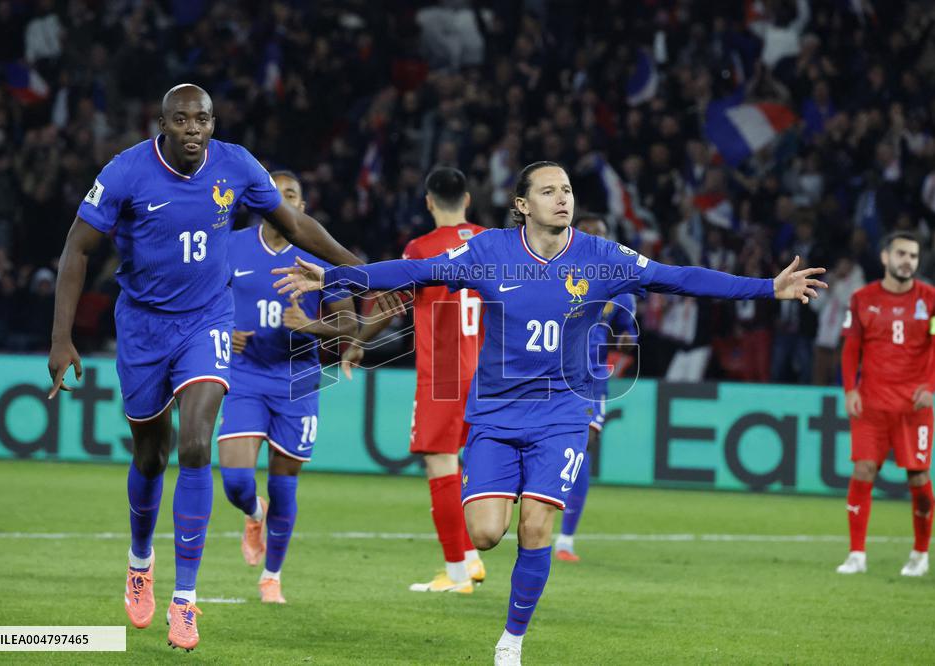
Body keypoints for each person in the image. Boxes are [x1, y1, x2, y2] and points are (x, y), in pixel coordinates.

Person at [274, 161, 826, 666]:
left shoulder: (602, 257)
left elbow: (679, 277)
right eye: (548, 191)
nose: (562, 199)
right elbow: (413, 273)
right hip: (493, 411)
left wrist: (767, 288)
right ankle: (495, 560)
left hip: (563, 410)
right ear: (522, 204)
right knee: (487, 534)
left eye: (565, 190)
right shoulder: (489, 251)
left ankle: (511, 641)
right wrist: (335, 278)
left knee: (537, 525)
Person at [46, 84, 368, 651]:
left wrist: (358, 267)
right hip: (144, 327)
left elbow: (293, 224)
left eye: (203, 119)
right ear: (162, 124)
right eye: (181, 119)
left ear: (213, 123)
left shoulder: (237, 165)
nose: (193, 128)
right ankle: (140, 560)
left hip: (206, 322)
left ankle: (185, 601)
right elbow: (77, 249)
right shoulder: (125, 173)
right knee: (152, 454)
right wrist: (61, 337)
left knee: (196, 445)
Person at [343, 167, 487, 593]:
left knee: (441, 464)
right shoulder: (494, 242)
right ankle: (472, 557)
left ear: (428, 202)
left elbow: (390, 304)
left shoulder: (421, 250)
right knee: (474, 464)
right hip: (493, 371)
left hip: (444, 373)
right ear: (467, 200)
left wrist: (356, 343)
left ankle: (457, 573)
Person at [217, 170, 356, 603]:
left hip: (297, 381)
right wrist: (222, 326)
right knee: (237, 482)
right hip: (243, 374)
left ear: (303, 207)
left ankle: (271, 577)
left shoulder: (318, 255)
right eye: (274, 194)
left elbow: (350, 325)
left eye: (291, 194)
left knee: (284, 483)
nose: (282, 200)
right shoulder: (231, 245)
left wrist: (312, 326)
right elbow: (201, 297)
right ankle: (254, 513)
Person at [836, 232, 935, 577]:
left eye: (913, 256)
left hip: (913, 406)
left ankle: (920, 553)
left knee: (919, 478)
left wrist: (930, 386)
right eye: (901, 254)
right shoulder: (861, 299)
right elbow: (850, 348)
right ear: (885, 257)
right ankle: (857, 554)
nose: (908, 261)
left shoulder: (934, 300)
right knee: (863, 470)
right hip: (871, 403)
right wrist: (849, 389)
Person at [554, 214, 637, 563]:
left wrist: (626, 341)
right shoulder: (552, 272)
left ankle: (565, 541)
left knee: (585, 442)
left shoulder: (617, 282)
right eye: (590, 233)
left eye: (602, 233)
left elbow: (627, 329)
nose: (597, 239)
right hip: (546, 371)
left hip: (590, 378)